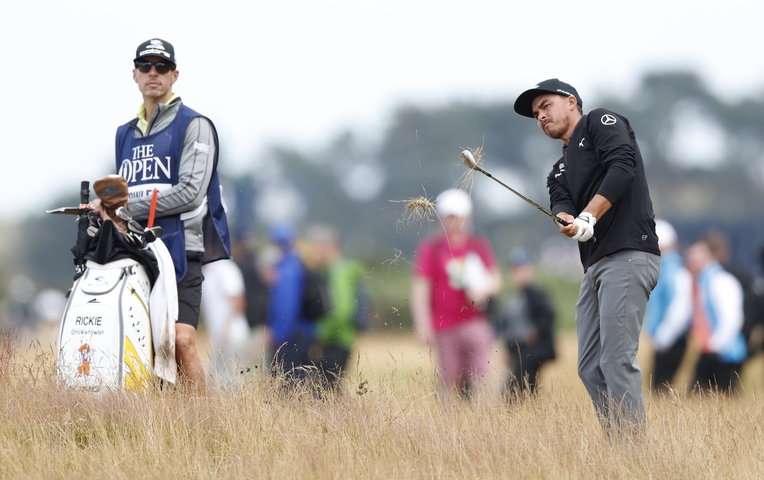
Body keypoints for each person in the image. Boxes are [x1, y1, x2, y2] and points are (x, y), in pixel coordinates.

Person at [514, 79, 660, 433]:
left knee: (615, 359)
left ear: (571, 101)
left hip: (628, 254)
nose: (541, 116)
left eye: (546, 105)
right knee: (590, 365)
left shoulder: (599, 122)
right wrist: (567, 220)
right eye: (536, 114)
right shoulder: (558, 170)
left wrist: (588, 216)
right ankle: (618, 442)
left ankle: (633, 451)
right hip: (595, 265)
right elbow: (561, 203)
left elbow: (623, 166)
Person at [108, 39, 231, 391]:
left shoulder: (195, 124)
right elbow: (122, 190)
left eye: (161, 67)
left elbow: (191, 193)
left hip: (182, 249)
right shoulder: (124, 133)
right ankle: (163, 428)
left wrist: (127, 206)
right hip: (136, 252)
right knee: (144, 343)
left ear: (174, 75)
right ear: (134, 73)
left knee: (180, 341)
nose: (153, 73)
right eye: (145, 66)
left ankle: (206, 426)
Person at [411, 189, 502, 399]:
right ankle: (450, 425)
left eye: (459, 217)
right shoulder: (432, 248)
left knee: (481, 376)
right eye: (450, 217)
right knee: (449, 378)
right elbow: (421, 289)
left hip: (475, 321)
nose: (455, 222)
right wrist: (422, 324)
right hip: (444, 325)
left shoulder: (477, 245)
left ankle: (482, 422)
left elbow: (496, 281)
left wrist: (483, 289)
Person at [306, 224, 367, 392]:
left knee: (328, 390)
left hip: (337, 339)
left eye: (317, 246)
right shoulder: (336, 270)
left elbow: (342, 311)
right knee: (330, 389)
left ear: (328, 246)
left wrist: (321, 336)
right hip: (340, 337)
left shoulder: (338, 272)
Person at [685, 237, 746, 393]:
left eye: (699, 252)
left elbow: (732, 318)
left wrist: (716, 344)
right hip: (711, 350)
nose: (692, 257)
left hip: (724, 353)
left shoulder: (721, 280)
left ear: (711, 255)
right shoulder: (702, 280)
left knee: (725, 400)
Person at [494, 248, 556, 397]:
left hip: (532, 351)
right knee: (512, 390)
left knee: (523, 389)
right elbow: (505, 326)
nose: (520, 273)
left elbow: (549, 316)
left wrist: (535, 331)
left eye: (524, 268)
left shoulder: (536, 294)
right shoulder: (512, 298)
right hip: (515, 350)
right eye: (516, 269)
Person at [644, 220, 693, 393]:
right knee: (657, 388)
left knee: (660, 389)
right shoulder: (664, 269)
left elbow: (680, 308)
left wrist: (664, 337)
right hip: (665, 339)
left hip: (670, 340)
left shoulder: (674, 270)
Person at [265, 223, 315, 384]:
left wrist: (278, 335)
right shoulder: (298, 263)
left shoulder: (287, 269)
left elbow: (286, 307)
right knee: (297, 379)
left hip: (292, 334)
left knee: (288, 382)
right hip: (303, 331)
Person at [201, 259, 250, 384]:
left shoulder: (225, 268)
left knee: (233, 380)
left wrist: (226, 329)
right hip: (218, 338)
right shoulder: (206, 272)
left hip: (231, 335)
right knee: (216, 380)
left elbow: (238, 300)